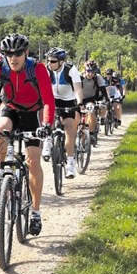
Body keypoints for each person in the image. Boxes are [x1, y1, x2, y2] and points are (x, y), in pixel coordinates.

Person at [0, 33, 55, 236]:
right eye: (9, 53)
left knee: (33, 161)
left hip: (32, 113)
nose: (13, 58)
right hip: (11, 108)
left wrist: (46, 124)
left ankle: (35, 212)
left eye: (17, 53)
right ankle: (0, 174)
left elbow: (48, 100)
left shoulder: (37, 68)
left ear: (25, 53)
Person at [42, 47, 84, 179]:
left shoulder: (71, 70)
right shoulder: (47, 69)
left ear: (61, 62)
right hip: (52, 100)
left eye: (53, 61)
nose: (50, 64)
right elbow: (41, 86)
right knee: (46, 120)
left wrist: (80, 102)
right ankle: (47, 141)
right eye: (48, 61)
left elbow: (77, 89)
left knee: (70, 128)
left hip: (68, 102)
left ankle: (70, 163)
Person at [79, 60, 109, 146]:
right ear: (85, 70)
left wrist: (106, 99)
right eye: (89, 71)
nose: (91, 74)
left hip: (90, 99)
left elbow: (103, 89)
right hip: (79, 99)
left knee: (91, 111)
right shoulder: (79, 77)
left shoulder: (97, 77)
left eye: (93, 72)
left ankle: (91, 134)